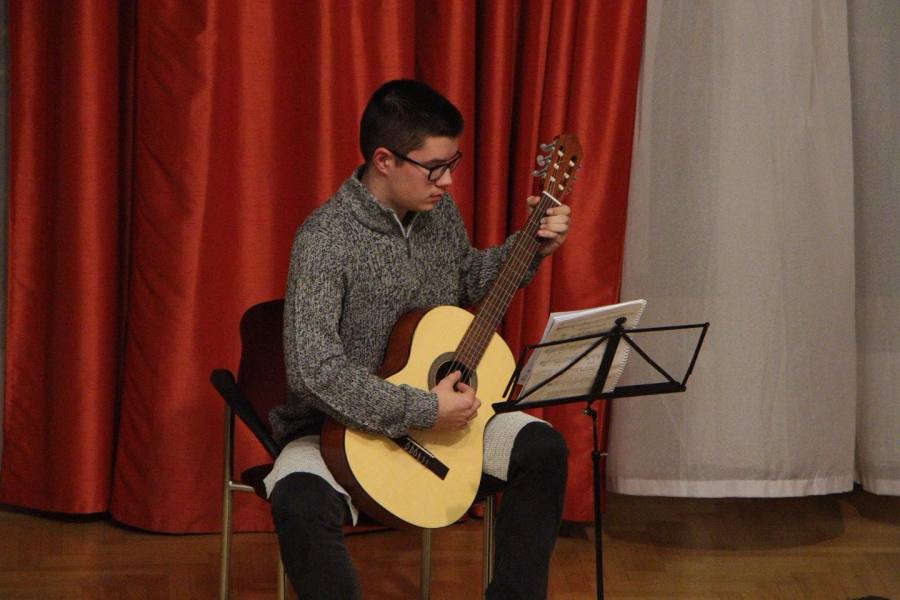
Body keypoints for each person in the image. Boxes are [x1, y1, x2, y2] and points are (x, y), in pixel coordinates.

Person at [266, 79, 572, 599]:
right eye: (434, 168)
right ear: (384, 160)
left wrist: (532, 244)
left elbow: (470, 279)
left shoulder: (437, 213)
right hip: (340, 430)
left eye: (452, 164)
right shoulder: (324, 239)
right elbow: (313, 372)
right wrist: (424, 409)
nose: (448, 181)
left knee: (542, 449)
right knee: (299, 502)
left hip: (439, 416)